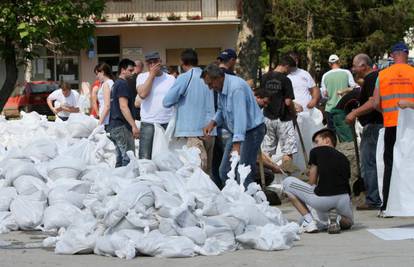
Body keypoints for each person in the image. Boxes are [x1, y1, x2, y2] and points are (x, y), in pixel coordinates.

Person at [202, 63, 265, 189]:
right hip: (237, 132)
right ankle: (233, 199)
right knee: (224, 171)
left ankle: (247, 201)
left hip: (251, 132)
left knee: (243, 172)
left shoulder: (236, 88)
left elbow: (240, 117)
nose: (210, 88)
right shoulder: (221, 88)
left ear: (218, 78)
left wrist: (237, 146)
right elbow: (221, 109)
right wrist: (212, 123)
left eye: (210, 84)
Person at [282, 128, 354, 234]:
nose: (315, 145)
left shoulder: (316, 151)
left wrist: (307, 189)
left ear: (327, 140)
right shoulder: (343, 157)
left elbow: (312, 180)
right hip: (344, 199)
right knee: (348, 222)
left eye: (317, 141)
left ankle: (309, 221)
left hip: (323, 199)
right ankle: (337, 218)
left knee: (287, 183)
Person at [373, 42, 414, 217]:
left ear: (392, 55)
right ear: (406, 54)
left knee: (391, 164)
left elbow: (375, 103)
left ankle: (387, 207)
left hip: (391, 124)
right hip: (411, 126)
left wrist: (387, 113)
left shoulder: (382, 75)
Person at [163, 49, 216, 175]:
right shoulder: (208, 77)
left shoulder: (185, 78)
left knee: (195, 172)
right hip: (210, 130)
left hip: (192, 131)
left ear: (182, 62)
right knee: (206, 172)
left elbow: (167, 101)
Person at [345, 54, 382, 210]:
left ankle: (373, 199)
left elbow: (373, 102)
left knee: (370, 163)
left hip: (374, 125)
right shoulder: (374, 78)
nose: (353, 69)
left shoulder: (372, 78)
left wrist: (355, 113)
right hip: (380, 124)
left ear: (364, 66)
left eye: (355, 66)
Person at [136, 51, 175, 159]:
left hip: (166, 122)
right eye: (149, 62)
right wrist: (152, 75)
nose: (152, 65)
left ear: (160, 62)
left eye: (155, 62)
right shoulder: (141, 77)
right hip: (148, 122)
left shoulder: (171, 79)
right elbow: (143, 94)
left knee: (166, 157)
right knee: (145, 156)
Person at [260, 56, 298, 164]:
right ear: (286, 66)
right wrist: (294, 114)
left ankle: (267, 176)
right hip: (283, 118)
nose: (289, 73)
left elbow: (261, 97)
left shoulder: (264, 77)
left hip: (267, 117)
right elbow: (288, 102)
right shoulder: (285, 80)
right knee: (288, 150)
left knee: (267, 151)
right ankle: (287, 176)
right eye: (290, 70)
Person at [107, 59, 139, 167]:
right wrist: (133, 126)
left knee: (120, 159)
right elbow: (123, 106)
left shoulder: (116, 84)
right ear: (123, 70)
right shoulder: (122, 85)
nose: (133, 73)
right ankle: (126, 182)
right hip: (122, 126)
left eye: (133, 70)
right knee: (129, 159)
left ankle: (118, 181)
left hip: (114, 126)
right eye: (130, 70)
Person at [321, 54, 357, 131]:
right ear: (339, 62)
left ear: (329, 64)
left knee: (332, 136)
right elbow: (354, 87)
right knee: (346, 135)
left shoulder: (325, 76)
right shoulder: (346, 72)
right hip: (344, 108)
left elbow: (325, 95)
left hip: (330, 109)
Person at [95, 63, 115, 127]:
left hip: (105, 120)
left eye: (97, 74)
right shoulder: (111, 82)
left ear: (102, 72)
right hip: (109, 118)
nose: (96, 76)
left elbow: (107, 106)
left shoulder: (106, 84)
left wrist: (100, 122)